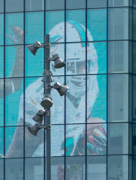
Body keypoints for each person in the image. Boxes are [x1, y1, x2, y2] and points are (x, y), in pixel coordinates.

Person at [7, 21, 104, 159]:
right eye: (75, 65)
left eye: (86, 64)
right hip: (41, 169)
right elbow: (18, 155)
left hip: (70, 165)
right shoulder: (37, 96)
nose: (83, 72)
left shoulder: (92, 86)